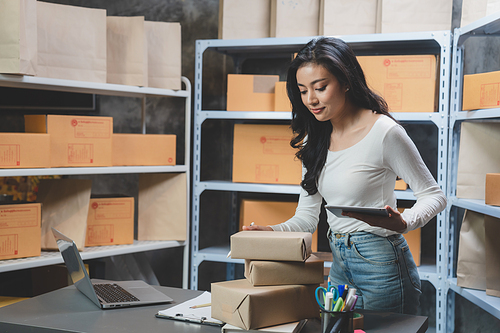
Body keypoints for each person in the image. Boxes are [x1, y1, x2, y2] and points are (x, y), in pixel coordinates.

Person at [242, 37, 447, 315]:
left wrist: (404, 221)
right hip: (339, 266)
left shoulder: (384, 132)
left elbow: (434, 195)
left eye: (321, 88)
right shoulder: (313, 140)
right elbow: (307, 218)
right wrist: (270, 233)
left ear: (346, 81)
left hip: (382, 264)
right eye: (303, 91)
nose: (311, 100)